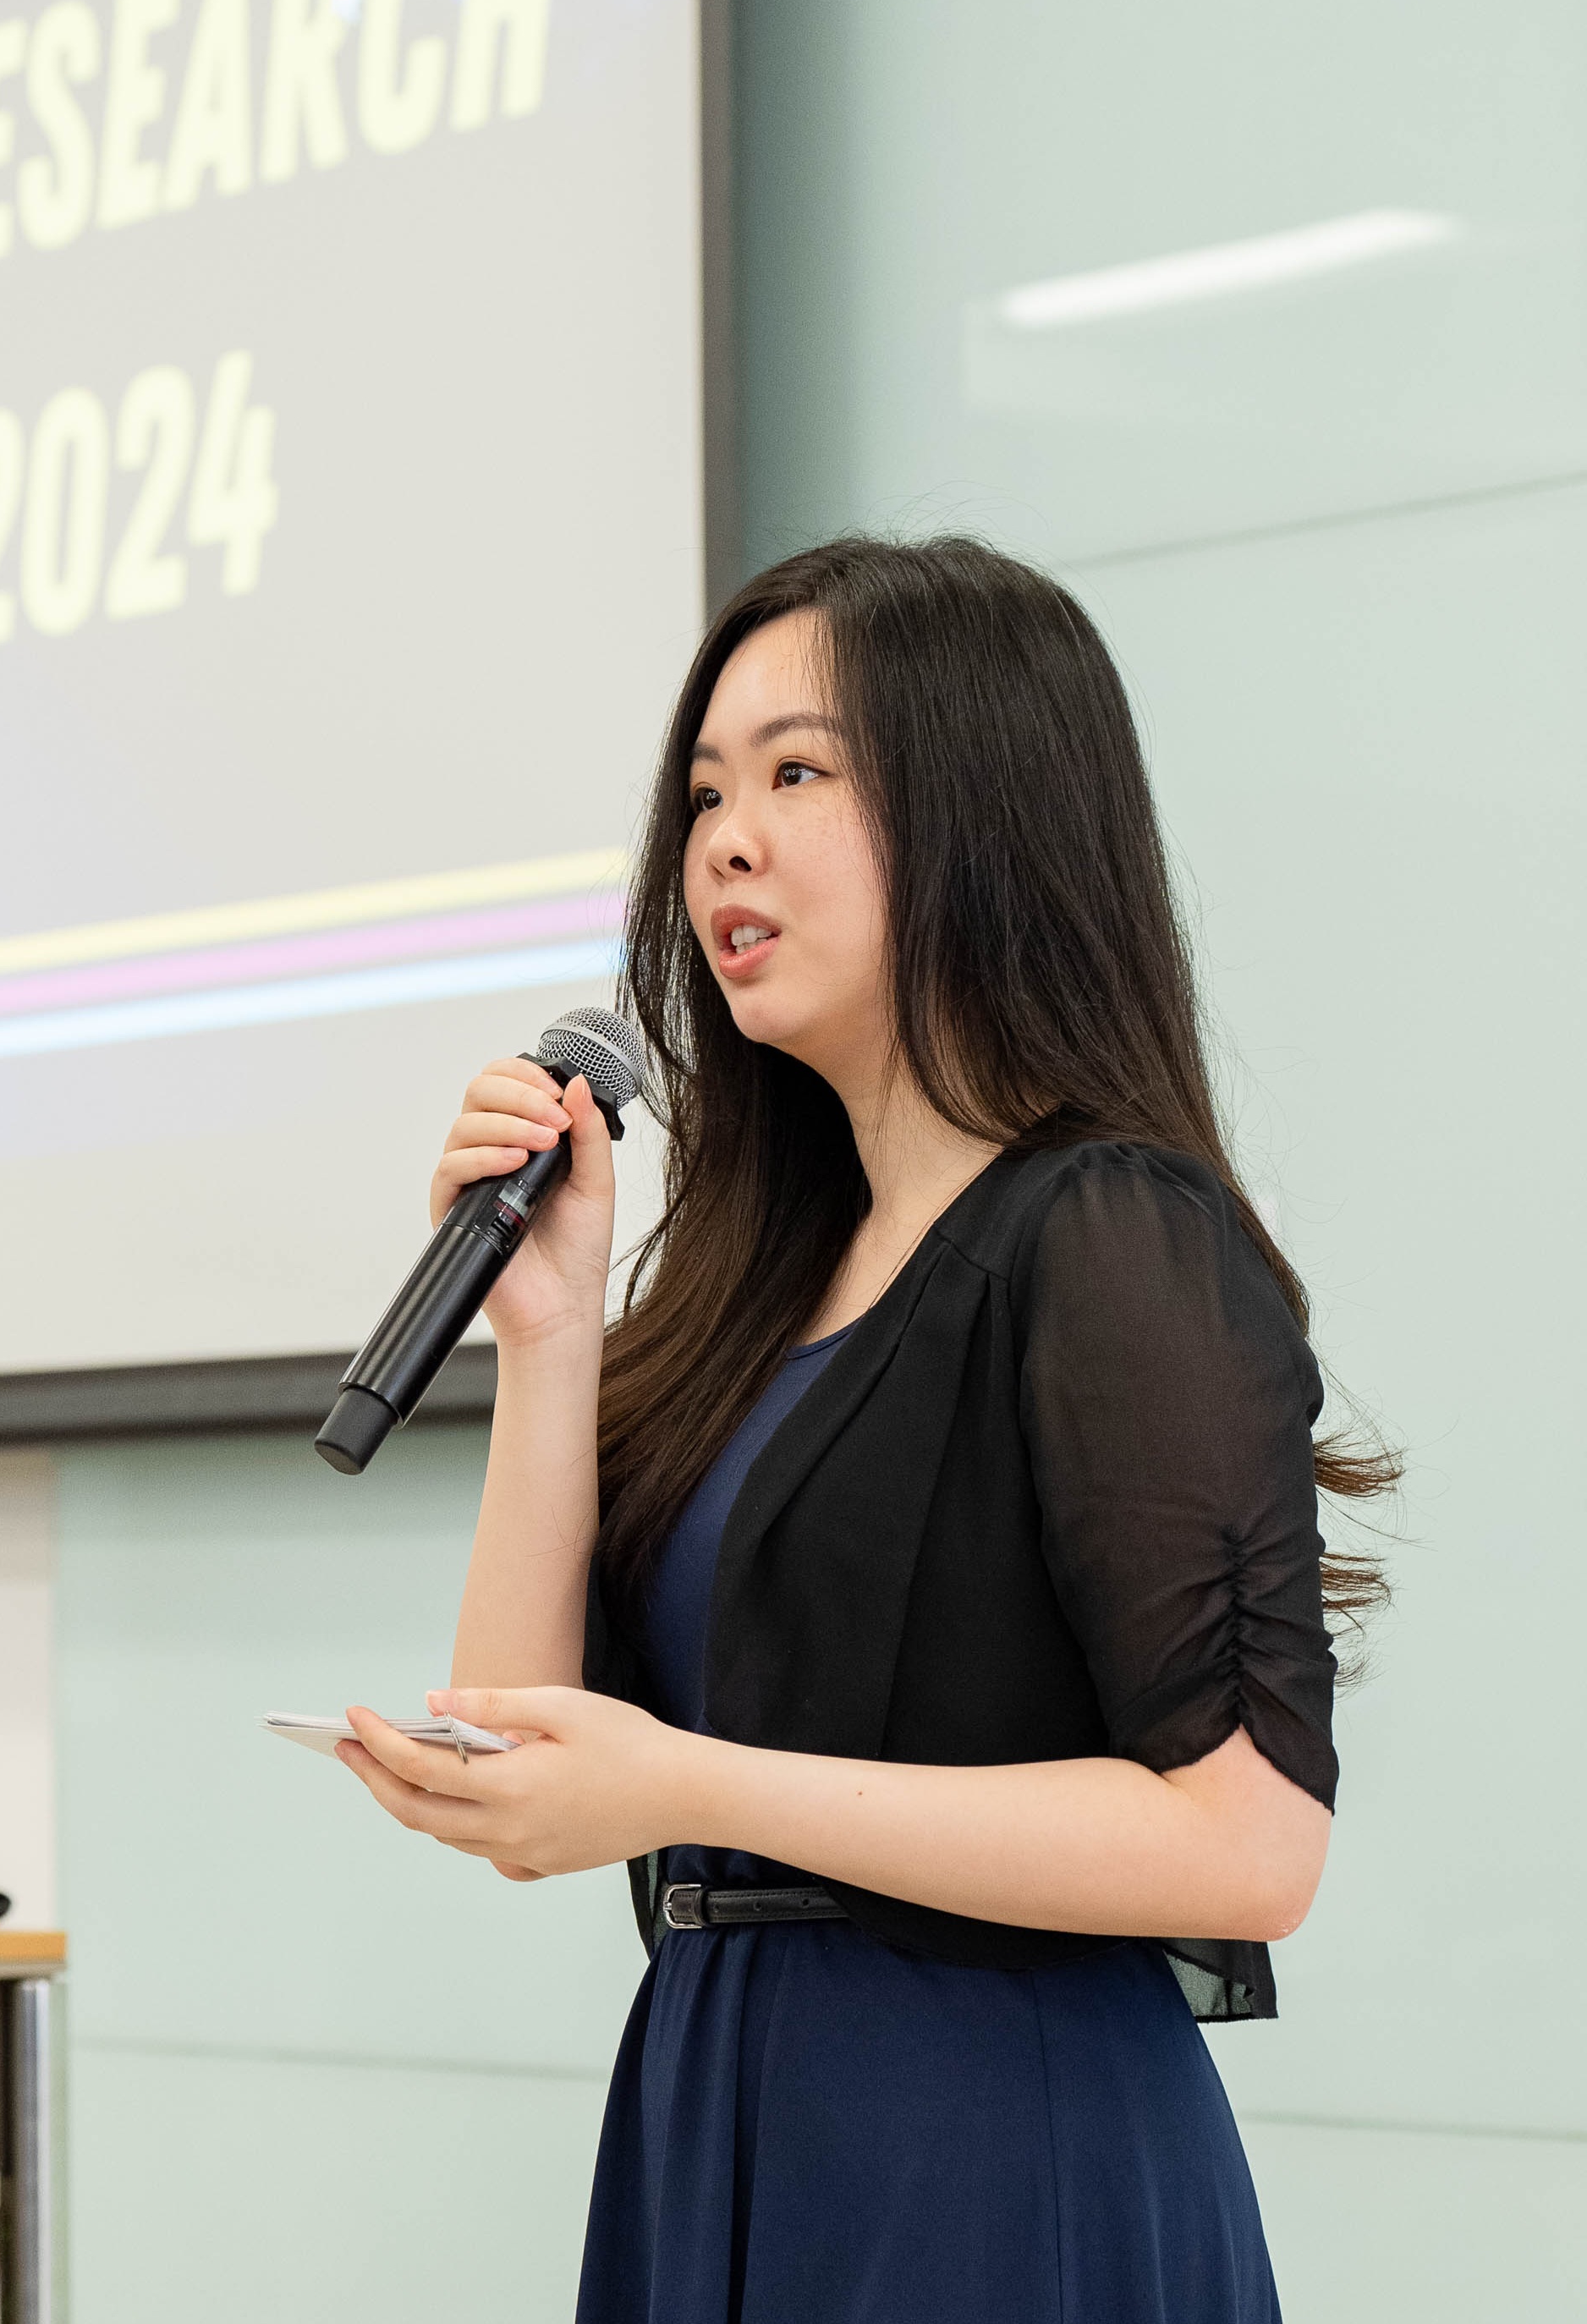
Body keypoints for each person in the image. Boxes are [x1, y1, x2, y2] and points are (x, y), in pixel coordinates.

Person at [332, 536, 1397, 2322]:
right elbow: (520, 1726)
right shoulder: (761, 1277)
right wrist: (547, 1333)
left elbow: (1248, 1841)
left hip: (985, 2139)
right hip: (716, 2109)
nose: (724, 841)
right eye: (704, 794)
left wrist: (688, 1782)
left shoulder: (1110, 1232)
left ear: (980, 810)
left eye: (796, 773)